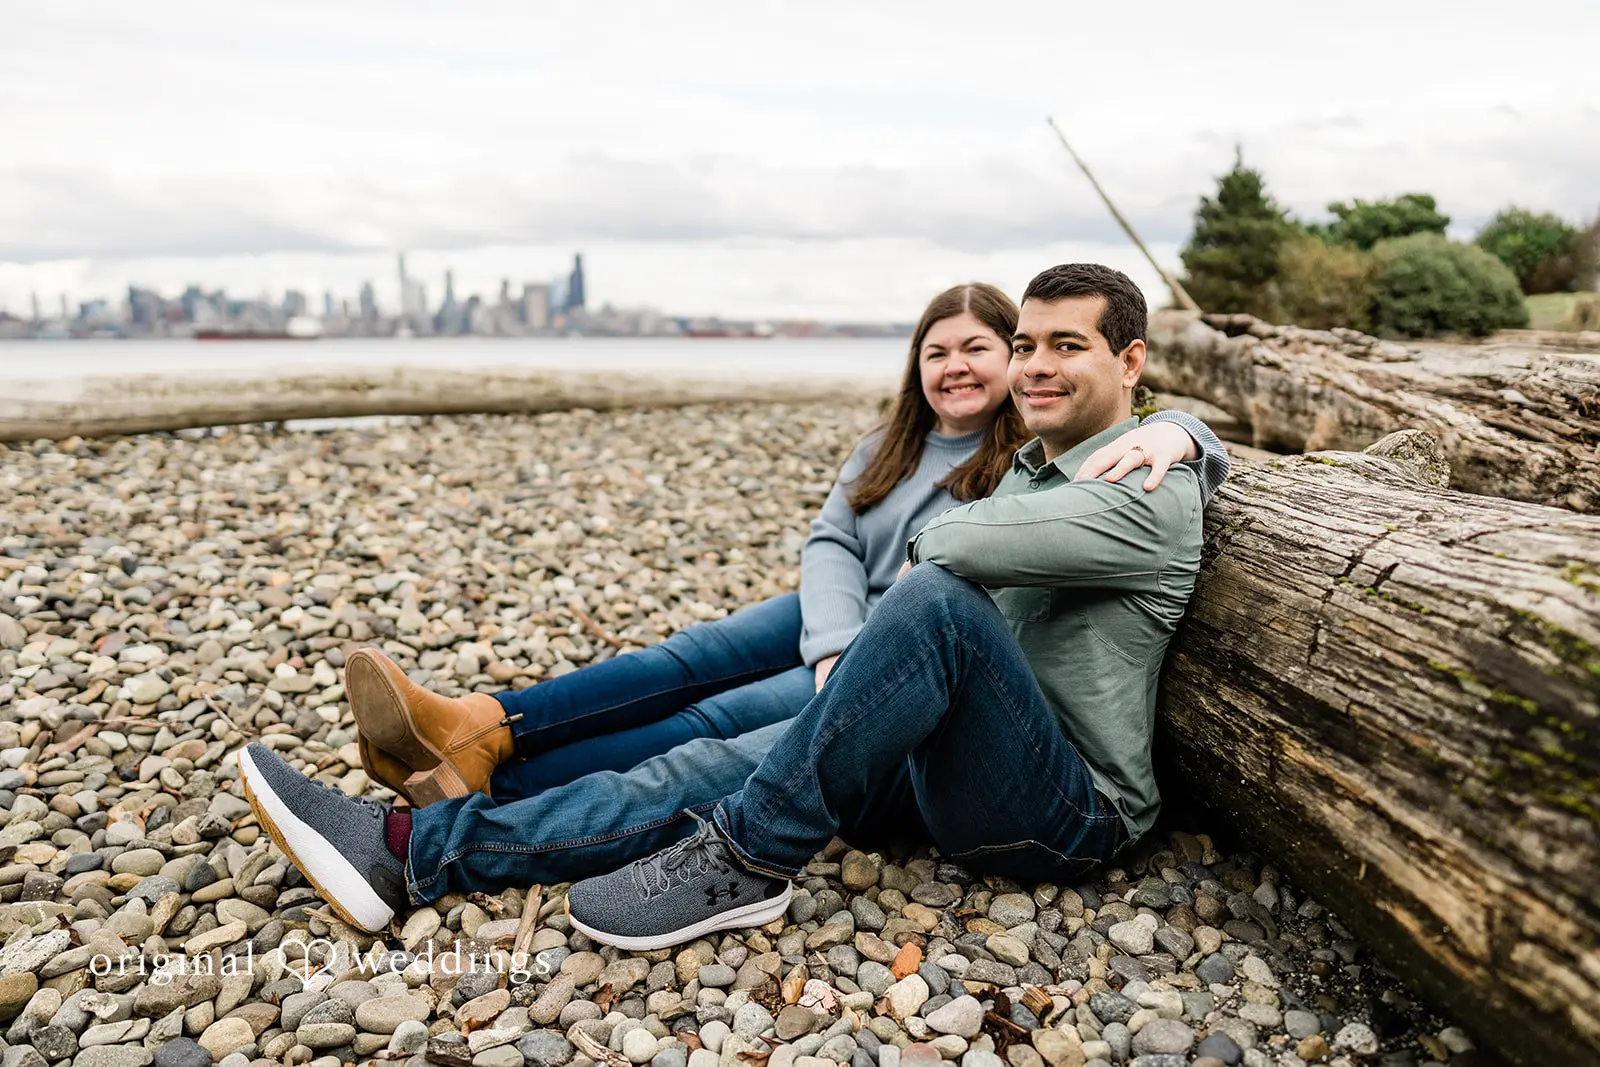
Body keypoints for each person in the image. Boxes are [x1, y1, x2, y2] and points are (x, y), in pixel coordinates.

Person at [236, 268, 1229, 936]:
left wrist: (1185, 431)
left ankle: (747, 857)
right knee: (703, 754)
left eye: (1070, 347)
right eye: (1033, 345)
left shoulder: (1141, 480)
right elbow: (848, 535)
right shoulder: (1043, 460)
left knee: (923, 603)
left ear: (1132, 363)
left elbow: (950, 542)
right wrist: (1186, 425)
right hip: (959, 747)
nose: (1039, 364)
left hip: (1065, 810)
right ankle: (405, 851)